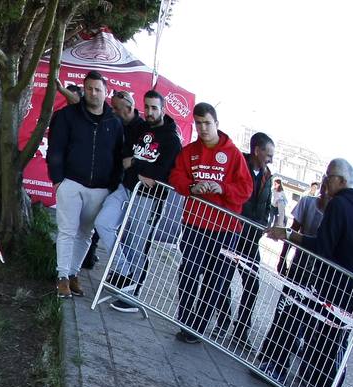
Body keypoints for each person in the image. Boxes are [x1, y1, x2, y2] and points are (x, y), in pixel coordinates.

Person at [266, 158, 353, 387]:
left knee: (322, 342)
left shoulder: (339, 204)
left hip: (334, 287)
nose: (325, 182)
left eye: (329, 177)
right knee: (335, 342)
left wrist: (292, 236)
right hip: (346, 291)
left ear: (342, 181)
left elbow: (323, 248)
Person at [167, 102, 252, 344]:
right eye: (198, 123)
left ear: (217, 124)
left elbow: (246, 189)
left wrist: (222, 187)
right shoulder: (189, 151)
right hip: (195, 223)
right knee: (189, 272)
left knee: (216, 280)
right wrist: (192, 187)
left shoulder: (233, 154)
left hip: (226, 229)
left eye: (207, 123)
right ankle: (185, 321)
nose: (203, 128)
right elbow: (176, 176)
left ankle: (197, 328)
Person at [98, 90, 183, 311]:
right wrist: (137, 166)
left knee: (137, 245)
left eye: (155, 108)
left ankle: (131, 296)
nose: (151, 112)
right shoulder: (140, 127)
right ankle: (123, 272)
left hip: (149, 200)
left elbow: (162, 173)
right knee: (103, 223)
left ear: (163, 109)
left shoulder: (172, 139)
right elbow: (126, 155)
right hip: (126, 189)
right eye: (148, 107)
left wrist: (135, 164)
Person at [47, 70, 124, 297]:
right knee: (67, 231)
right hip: (71, 182)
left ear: (106, 92)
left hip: (100, 188)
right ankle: (62, 276)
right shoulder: (67, 116)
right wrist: (57, 180)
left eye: (98, 89)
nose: (93, 93)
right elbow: (56, 149)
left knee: (85, 234)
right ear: (83, 90)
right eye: (89, 88)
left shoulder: (114, 122)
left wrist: (112, 186)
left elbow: (118, 156)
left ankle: (73, 274)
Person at [216, 132, 277, 346]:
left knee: (252, 285)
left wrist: (265, 222)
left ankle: (241, 330)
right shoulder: (237, 165)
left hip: (252, 239)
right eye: (268, 154)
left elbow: (267, 202)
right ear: (257, 150)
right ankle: (222, 321)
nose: (271, 159)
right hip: (232, 233)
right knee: (222, 279)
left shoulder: (268, 176)